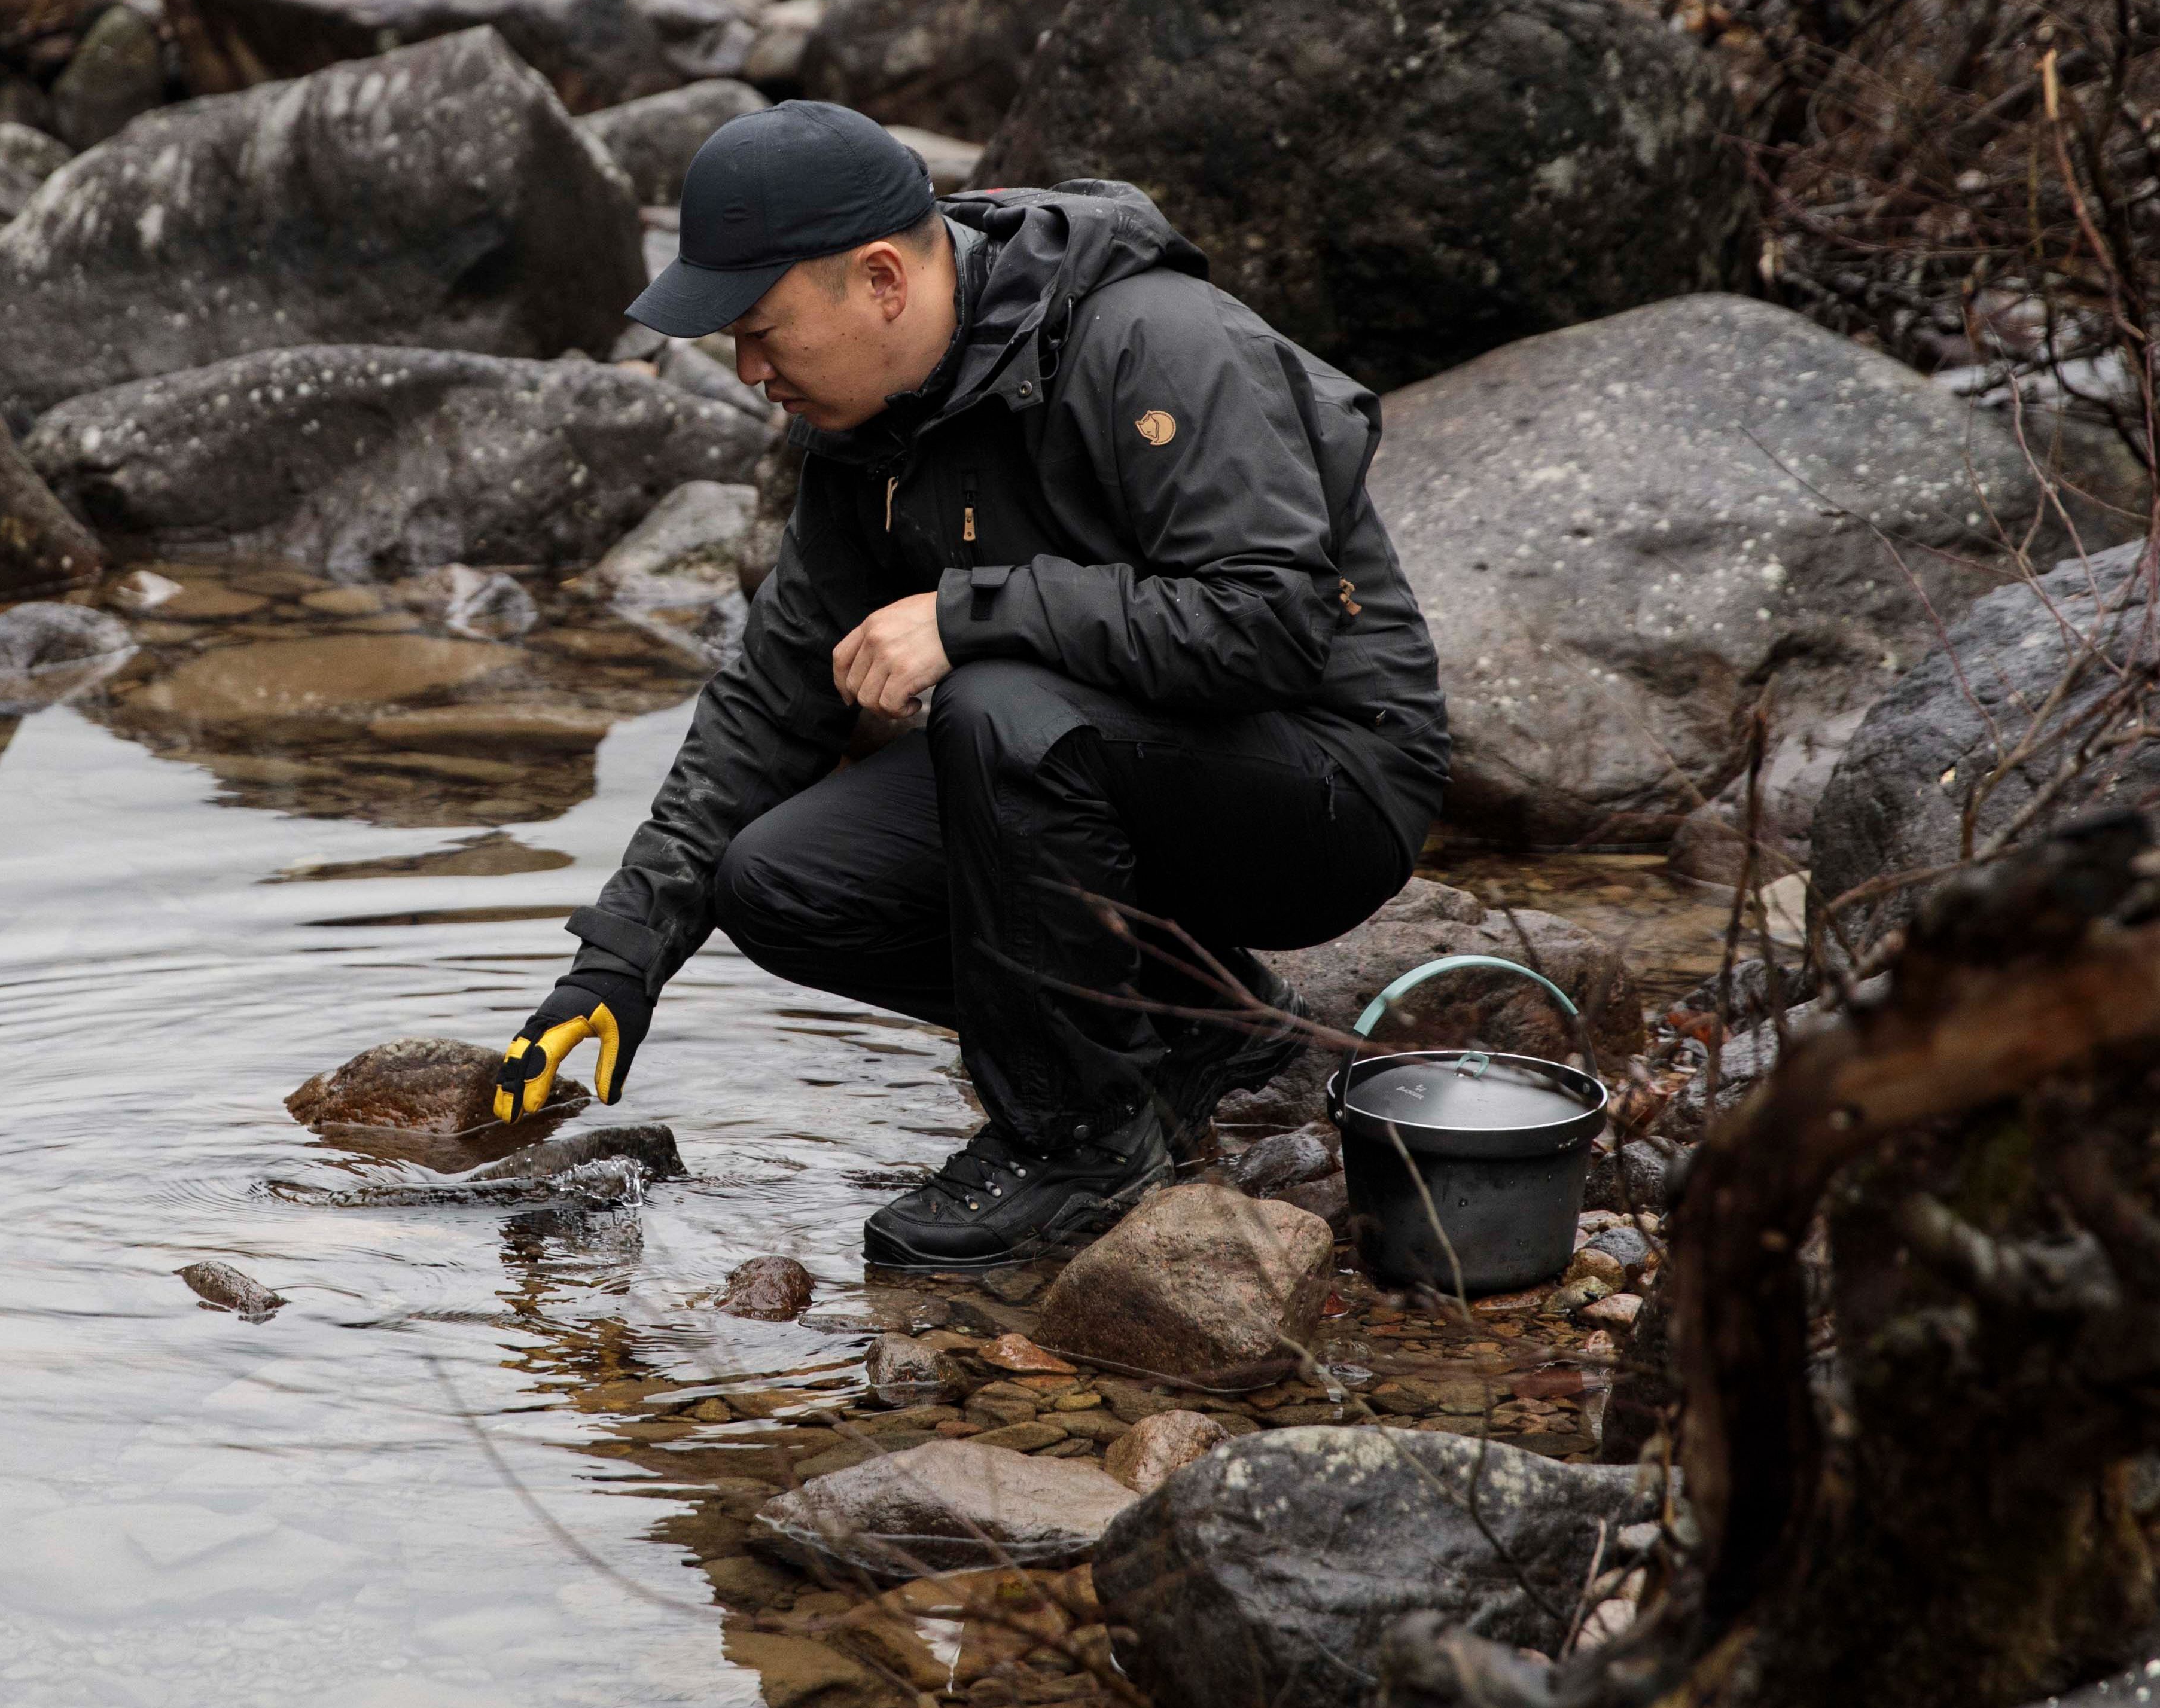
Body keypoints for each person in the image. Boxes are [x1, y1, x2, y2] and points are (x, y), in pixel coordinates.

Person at [489, 102, 1448, 1270]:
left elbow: (1268, 626)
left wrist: (967, 610)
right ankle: (1190, 1041)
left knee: (996, 708)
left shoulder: (1156, 339)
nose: (749, 373)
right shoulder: (869, 429)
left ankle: (1079, 1143)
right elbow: (768, 701)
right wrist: (617, 963)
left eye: (760, 329)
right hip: (1117, 764)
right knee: (782, 878)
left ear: (883, 279)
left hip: (1329, 785)